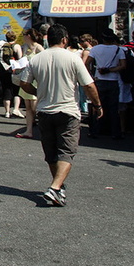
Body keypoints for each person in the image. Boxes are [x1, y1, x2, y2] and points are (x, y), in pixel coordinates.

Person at [18, 24, 101, 207]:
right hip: (67, 110)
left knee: (51, 151)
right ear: (64, 40)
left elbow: (24, 83)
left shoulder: (37, 59)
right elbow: (89, 85)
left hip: (45, 110)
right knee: (66, 151)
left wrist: (38, 91)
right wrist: (97, 105)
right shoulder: (73, 58)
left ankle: (58, 187)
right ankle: (55, 187)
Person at [86, 29, 127, 139]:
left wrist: (91, 75)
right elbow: (123, 65)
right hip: (113, 80)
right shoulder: (119, 50)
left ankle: (94, 130)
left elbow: (87, 63)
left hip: (99, 80)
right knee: (113, 108)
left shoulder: (95, 49)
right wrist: (111, 70)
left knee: (97, 105)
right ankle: (115, 132)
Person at [15, 28, 44, 139]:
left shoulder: (38, 47)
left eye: (24, 35)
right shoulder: (25, 47)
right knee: (28, 107)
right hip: (26, 78)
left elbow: (44, 60)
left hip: (35, 79)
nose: (22, 36)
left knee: (35, 107)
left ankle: (43, 130)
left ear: (29, 36)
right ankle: (29, 130)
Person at [0, 31, 23, 119]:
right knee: (16, 91)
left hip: (4, 71)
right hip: (14, 71)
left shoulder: (2, 46)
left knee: (6, 90)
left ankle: (7, 111)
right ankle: (16, 109)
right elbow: (20, 58)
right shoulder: (16, 46)